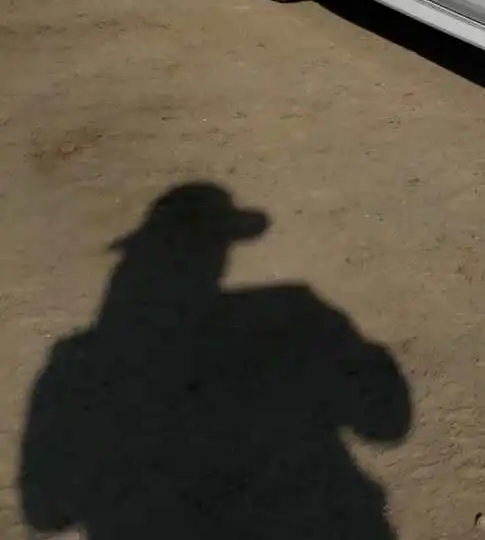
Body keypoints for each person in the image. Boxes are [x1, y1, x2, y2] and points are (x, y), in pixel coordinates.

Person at [20, 183, 412, 540]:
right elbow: (388, 421)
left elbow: (46, 511)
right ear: (220, 253)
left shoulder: (77, 362)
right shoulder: (293, 312)